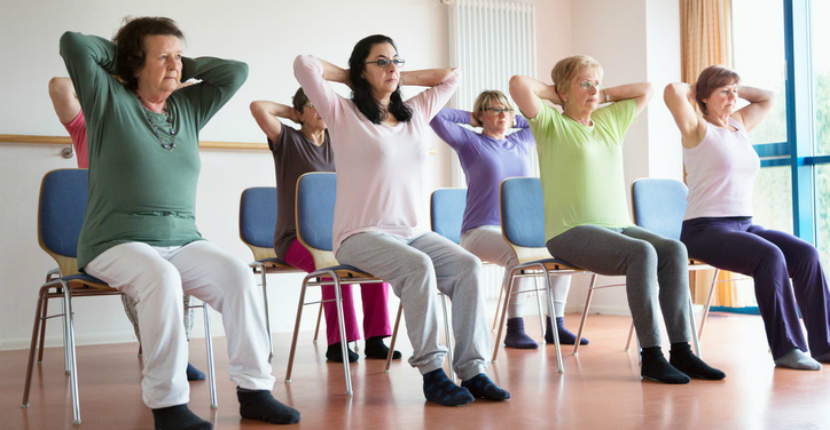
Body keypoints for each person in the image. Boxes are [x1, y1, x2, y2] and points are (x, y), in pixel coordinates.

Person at [60, 17, 299, 429]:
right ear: (135, 63)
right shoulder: (107, 99)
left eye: (179, 56)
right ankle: (168, 406)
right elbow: (74, 44)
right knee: (162, 277)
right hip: (114, 242)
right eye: (163, 57)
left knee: (238, 276)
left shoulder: (188, 107)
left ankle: (255, 392)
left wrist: (177, 65)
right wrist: (126, 58)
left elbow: (235, 72)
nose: (175, 65)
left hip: (184, 238)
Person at [294, 34, 509, 406]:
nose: (392, 66)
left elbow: (452, 76)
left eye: (395, 60)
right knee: (418, 267)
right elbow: (304, 64)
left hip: (412, 232)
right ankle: (432, 373)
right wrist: (351, 76)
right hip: (358, 236)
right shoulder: (342, 113)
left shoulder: (414, 113)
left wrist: (393, 75)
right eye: (380, 61)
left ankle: (472, 371)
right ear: (361, 70)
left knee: (468, 265)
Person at [509, 55, 725, 384]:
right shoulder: (550, 123)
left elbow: (647, 90)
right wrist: (557, 94)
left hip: (619, 226)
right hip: (569, 231)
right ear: (563, 91)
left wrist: (599, 93)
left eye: (597, 82)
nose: (594, 88)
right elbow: (518, 84)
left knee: (674, 250)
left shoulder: (610, 120)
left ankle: (682, 351)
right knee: (642, 253)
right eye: (585, 82)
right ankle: (651, 356)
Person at [665, 65, 830, 371]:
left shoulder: (739, 125)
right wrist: (699, 87)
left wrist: (732, 88)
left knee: (807, 255)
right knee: (769, 256)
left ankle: (825, 345)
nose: (732, 97)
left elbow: (768, 97)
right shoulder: (697, 128)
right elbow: (673, 92)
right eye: (724, 91)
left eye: (735, 91)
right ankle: (787, 348)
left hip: (744, 223)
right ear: (704, 97)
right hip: (704, 229)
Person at [48, 76, 205, 382]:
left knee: (179, 266)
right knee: (143, 268)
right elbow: (60, 87)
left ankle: (176, 349)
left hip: (154, 227)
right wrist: (123, 78)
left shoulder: (155, 124)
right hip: (106, 232)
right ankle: (161, 350)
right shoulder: (89, 123)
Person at [250, 88, 400, 363]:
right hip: (294, 239)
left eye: (323, 105)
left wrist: (324, 108)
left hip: (338, 236)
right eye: (312, 105)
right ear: (299, 112)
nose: (320, 110)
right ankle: (339, 342)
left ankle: (376, 339)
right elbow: (259, 106)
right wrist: (293, 113)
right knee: (331, 268)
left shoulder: (339, 140)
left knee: (372, 261)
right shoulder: (287, 140)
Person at [428, 91, 584, 349]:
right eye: (495, 110)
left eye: (507, 109)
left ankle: (555, 326)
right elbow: (433, 113)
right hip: (478, 232)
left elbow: (544, 118)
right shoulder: (470, 143)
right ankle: (515, 328)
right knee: (517, 254)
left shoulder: (521, 142)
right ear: (481, 115)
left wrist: (512, 118)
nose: (503, 114)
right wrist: (472, 118)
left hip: (520, 230)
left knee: (563, 251)